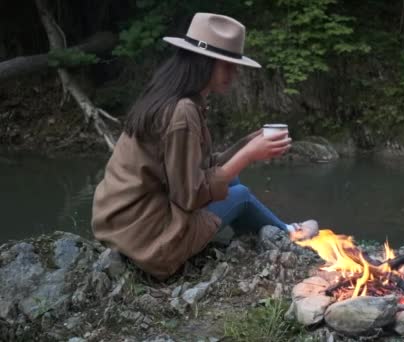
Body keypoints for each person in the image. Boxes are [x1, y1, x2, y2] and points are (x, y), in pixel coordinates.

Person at [91, 13, 318, 280]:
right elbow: (189, 196)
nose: (234, 74)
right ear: (203, 63)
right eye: (228, 66)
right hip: (145, 238)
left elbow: (197, 169)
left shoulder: (172, 98)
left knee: (231, 180)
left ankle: (280, 230)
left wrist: (247, 143)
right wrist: (247, 155)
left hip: (123, 224)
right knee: (240, 194)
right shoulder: (183, 111)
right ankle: (287, 236)